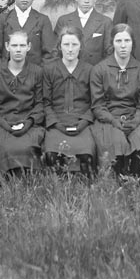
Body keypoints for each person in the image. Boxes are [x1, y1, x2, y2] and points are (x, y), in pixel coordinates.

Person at [90, 24, 140, 176]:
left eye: (127, 41)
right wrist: (113, 121)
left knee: (139, 140)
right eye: (118, 41)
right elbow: (98, 106)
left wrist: (135, 121)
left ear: (133, 43)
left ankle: (137, 182)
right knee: (116, 141)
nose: (123, 46)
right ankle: (115, 183)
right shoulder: (100, 69)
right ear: (112, 43)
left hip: (134, 118)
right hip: (109, 119)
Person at [0, 31, 45, 176]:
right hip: (3, 123)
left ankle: (28, 177)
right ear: (7, 47)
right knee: (5, 145)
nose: (18, 49)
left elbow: (39, 104)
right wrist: (4, 124)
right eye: (14, 45)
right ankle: (5, 178)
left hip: (29, 122)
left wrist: (29, 122)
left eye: (22, 45)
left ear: (29, 47)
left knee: (26, 145)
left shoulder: (37, 72)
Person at [43, 26, 96, 175]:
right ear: (60, 46)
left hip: (81, 122)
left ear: (81, 46)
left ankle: (84, 181)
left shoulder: (90, 70)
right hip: (57, 121)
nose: (70, 49)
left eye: (74, 44)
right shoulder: (49, 69)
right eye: (66, 45)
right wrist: (56, 123)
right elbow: (45, 102)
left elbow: (95, 103)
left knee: (86, 152)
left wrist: (83, 122)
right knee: (52, 153)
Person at [53, 0, 112, 65]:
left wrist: (100, 73)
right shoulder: (64, 21)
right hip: (69, 72)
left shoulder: (105, 22)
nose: (86, 1)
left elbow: (109, 53)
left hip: (95, 73)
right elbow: (56, 51)